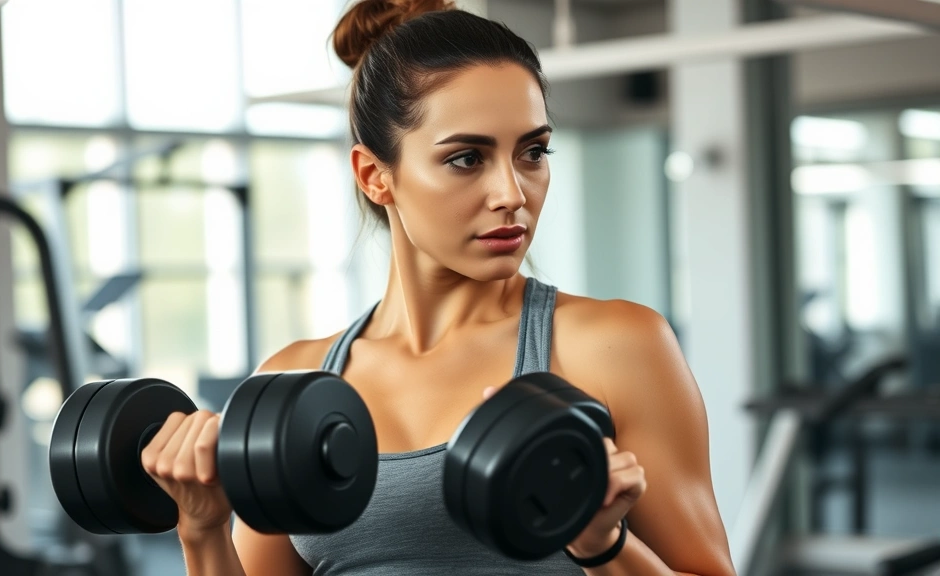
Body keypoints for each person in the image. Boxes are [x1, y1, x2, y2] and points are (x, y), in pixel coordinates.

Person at [140, 1, 736, 574]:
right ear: (375, 176)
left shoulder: (611, 346)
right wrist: (202, 529)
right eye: (466, 159)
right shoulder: (292, 381)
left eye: (532, 151)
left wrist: (599, 542)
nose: (513, 193)